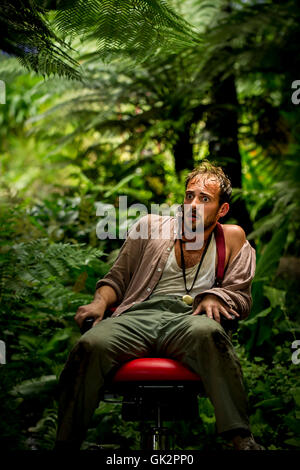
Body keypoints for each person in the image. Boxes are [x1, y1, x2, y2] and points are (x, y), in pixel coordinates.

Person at [55, 161, 263, 450]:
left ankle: (241, 439)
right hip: (139, 315)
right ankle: (65, 443)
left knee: (210, 334)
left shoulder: (233, 238)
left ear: (222, 210)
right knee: (91, 344)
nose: (193, 204)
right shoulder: (150, 226)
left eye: (204, 199)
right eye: (189, 195)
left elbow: (241, 296)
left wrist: (217, 296)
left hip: (190, 319)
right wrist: (98, 303)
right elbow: (116, 280)